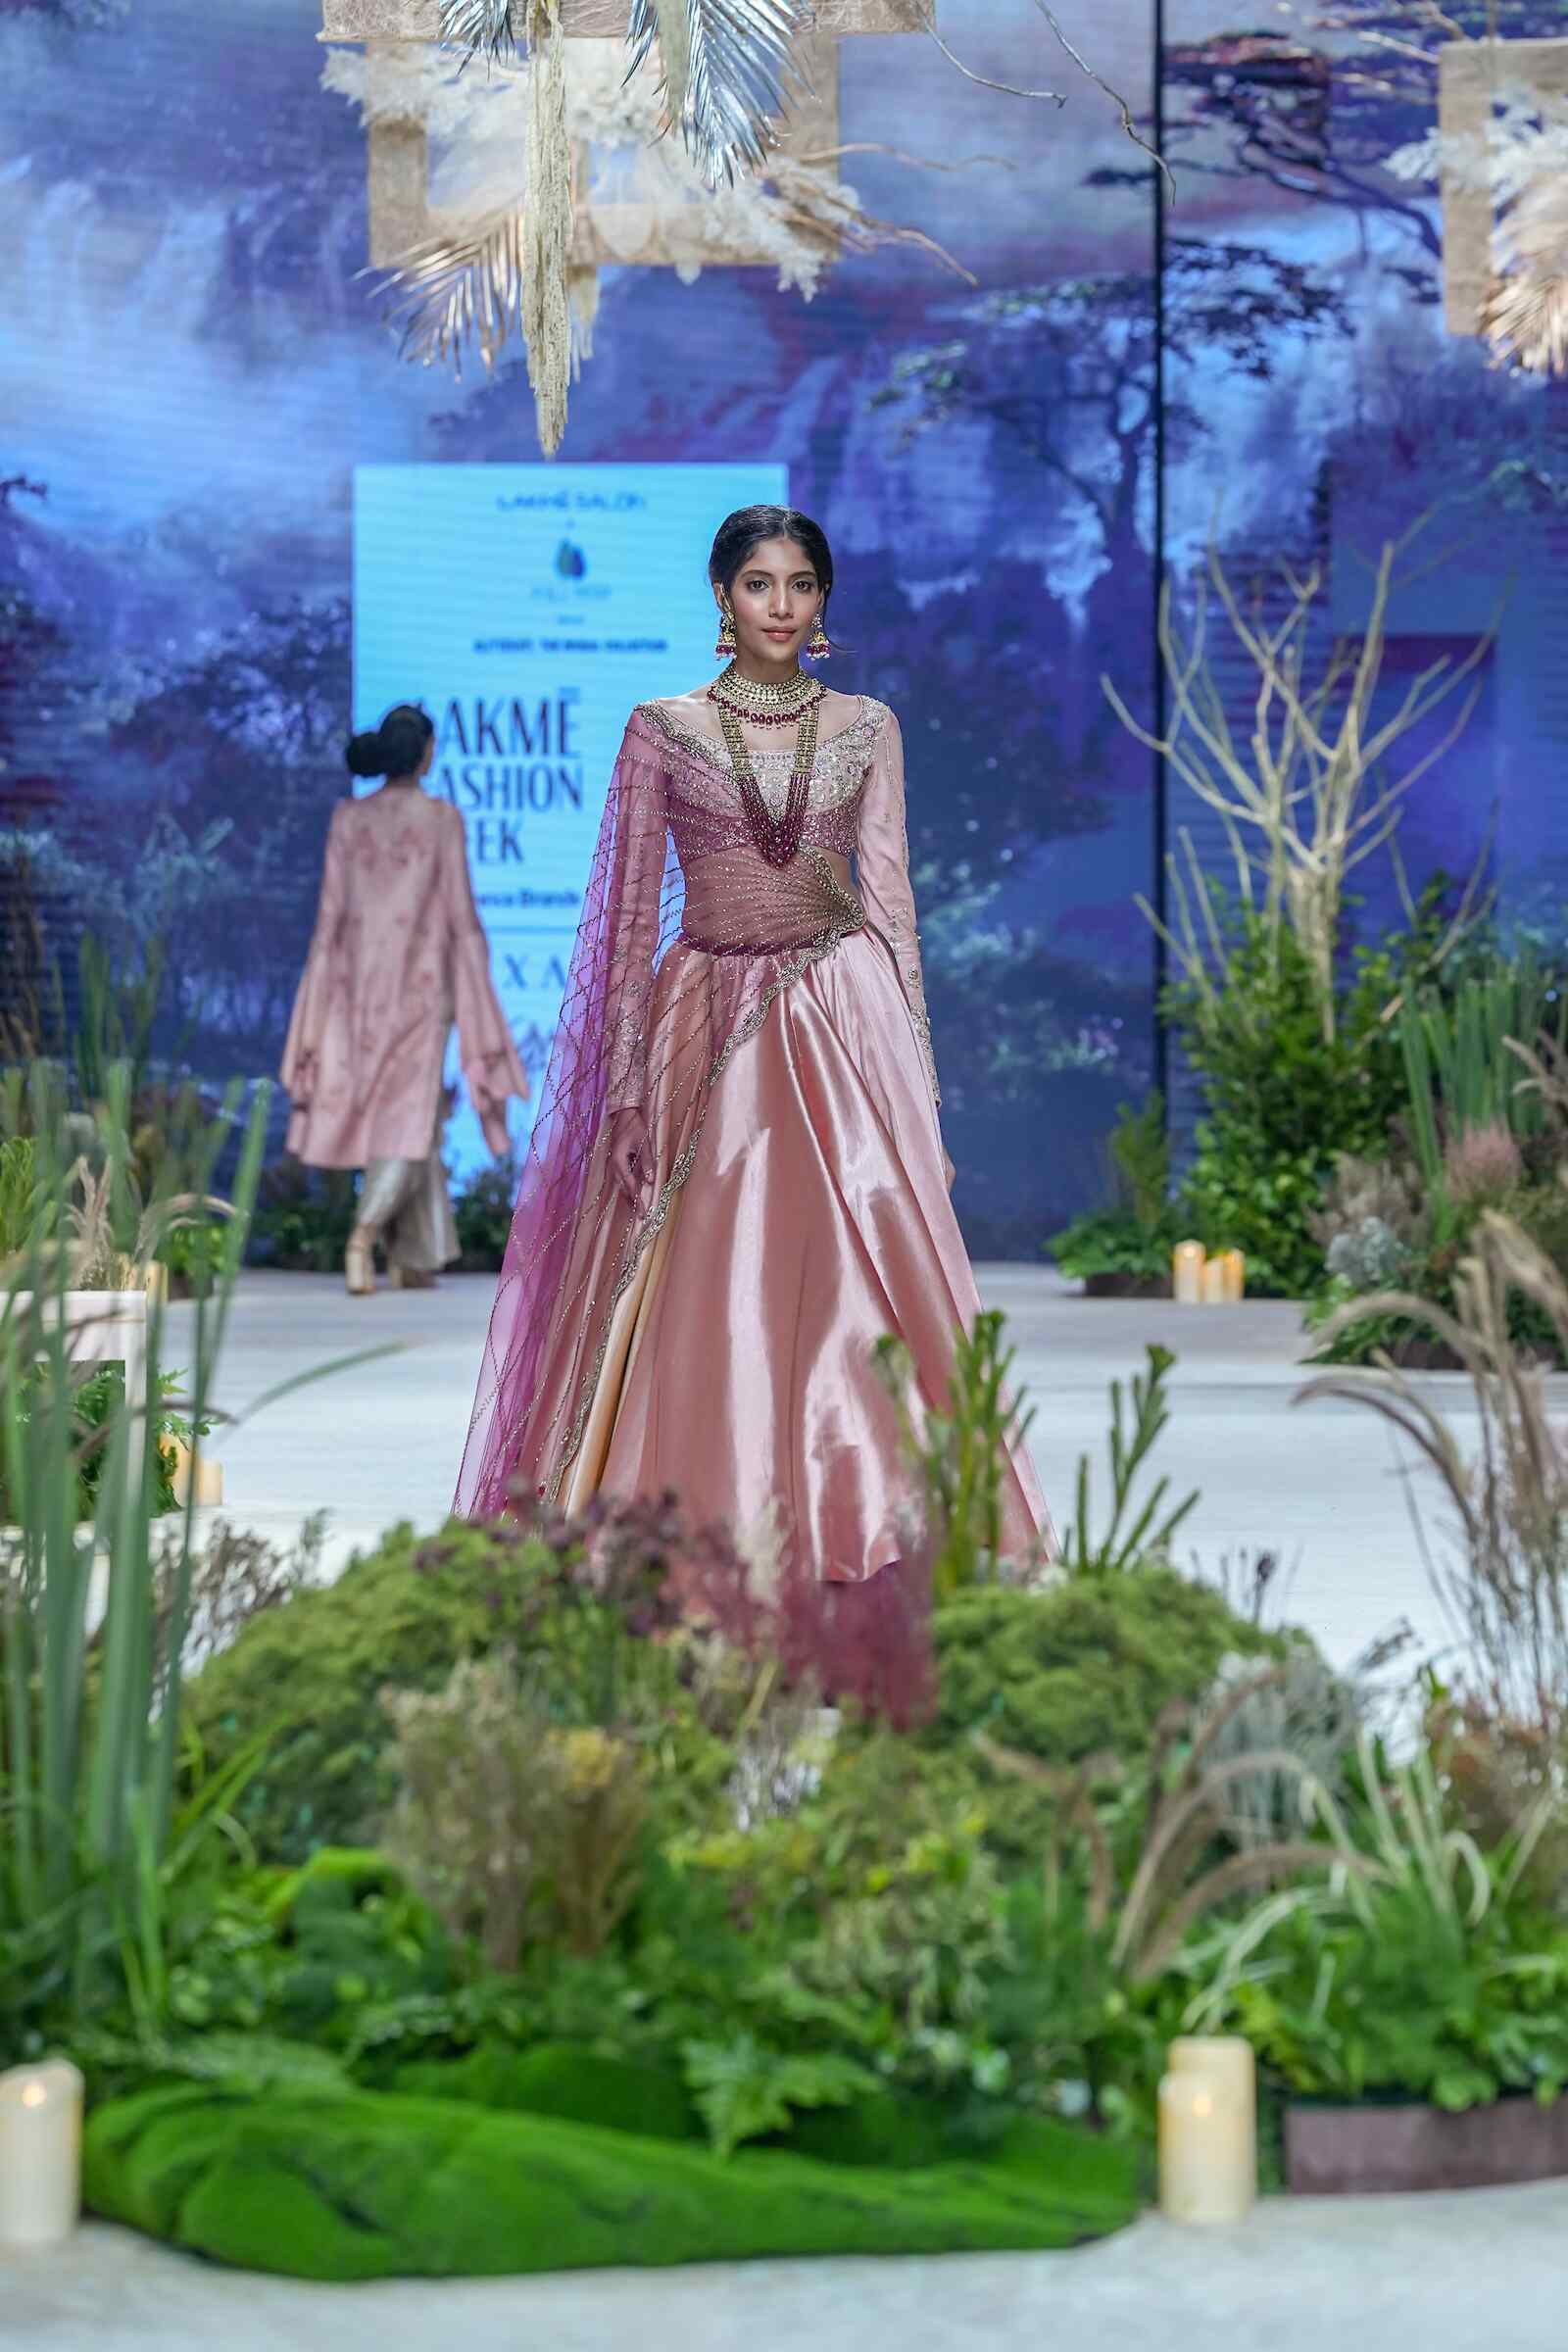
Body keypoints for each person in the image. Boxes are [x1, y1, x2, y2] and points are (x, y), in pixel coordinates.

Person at [457, 508, 1051, 1582]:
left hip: (843, 1018)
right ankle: (701, 1523)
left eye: (801, 584)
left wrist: (921, 1092)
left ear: (824, 600)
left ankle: (872, 1527)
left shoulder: (868, 725)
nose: (782, 605)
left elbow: (893, 907)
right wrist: (624, 1092)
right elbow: (626, 925)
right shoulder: (661, 728)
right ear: (722, 597)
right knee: (709, 1279)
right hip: (701, 1021)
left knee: (860, 1276)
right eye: (759, 584)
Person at [282, 703, 529, 1296]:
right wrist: (477, 992)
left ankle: (412, 1255)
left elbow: (329, 918)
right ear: (424, 754)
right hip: (421, 991)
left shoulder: (349, 818)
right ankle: (362, 1239)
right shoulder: (441, 819)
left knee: (414, 1116)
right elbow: (461, 916)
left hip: (355, 990)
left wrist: (316, 996)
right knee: (407, 1117)